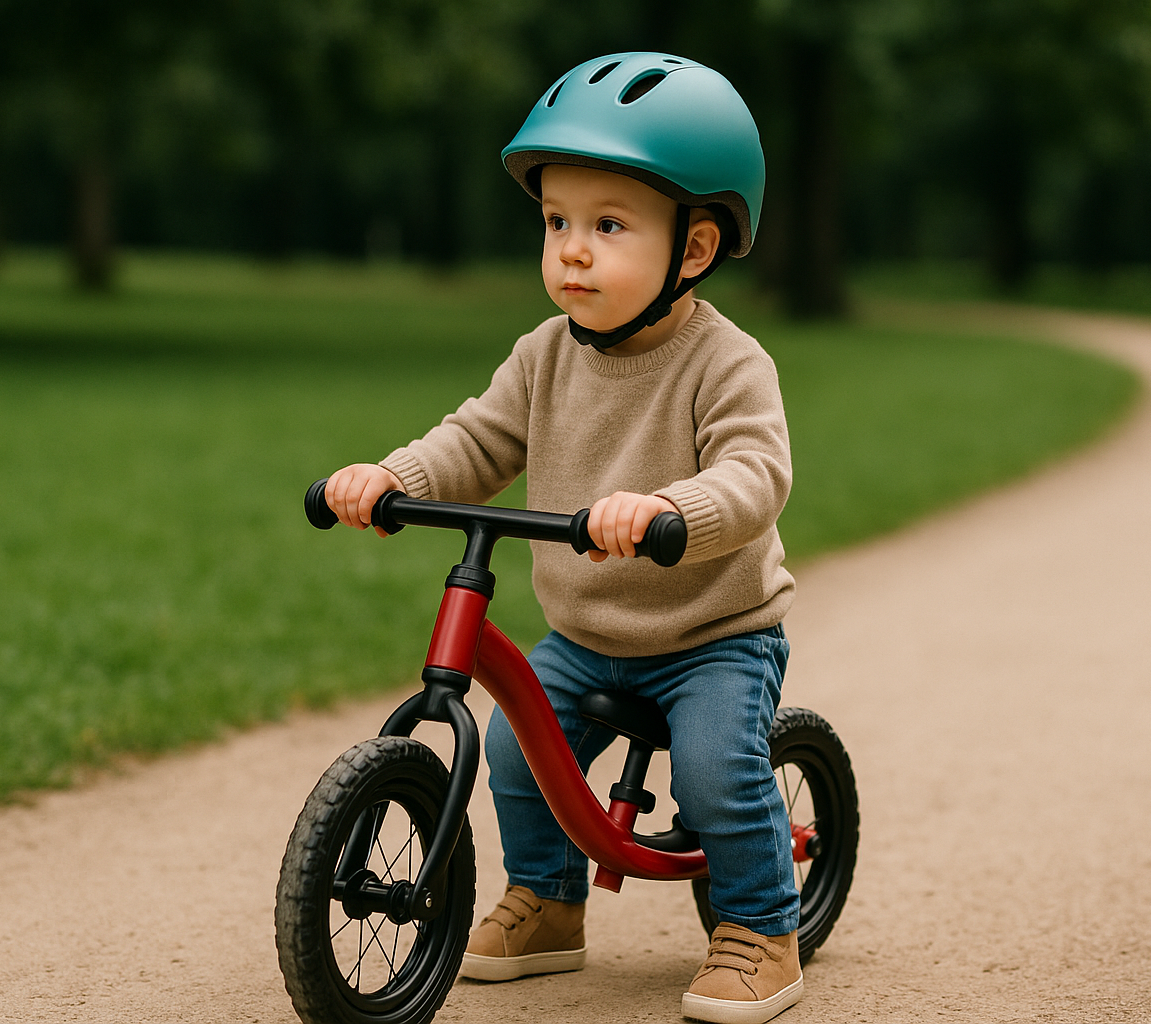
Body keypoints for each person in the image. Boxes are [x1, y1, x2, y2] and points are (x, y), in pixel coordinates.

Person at [321, 52, 801, 1024]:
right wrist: (393, 478)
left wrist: (669, 511)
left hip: (713, 635)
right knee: (511, 751)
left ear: (695, 248)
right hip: (587, 635)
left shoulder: (727, 363)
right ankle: (549, 901)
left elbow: (755, 477)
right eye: (556, 222)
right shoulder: (543, 356)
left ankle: (761, 927)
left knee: (715, 772)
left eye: (608, 226)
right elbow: (477, 440)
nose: (571, 251)